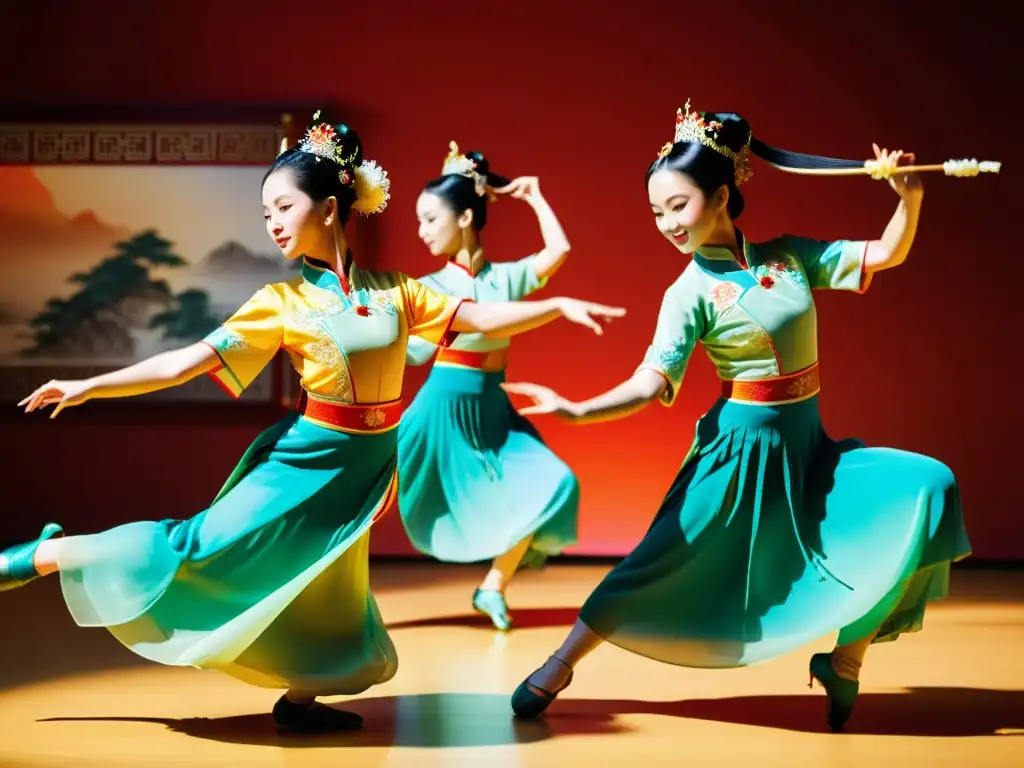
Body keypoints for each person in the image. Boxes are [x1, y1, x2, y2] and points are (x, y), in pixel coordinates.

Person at [2, 114, 625, 733]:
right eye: (265, 210)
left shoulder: (396, 292)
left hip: (367, 465)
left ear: (329, 209)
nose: (271, 221)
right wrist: (90, 385)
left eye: (283, 205)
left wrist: (557, 304)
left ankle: (300, 700)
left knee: (326, 582)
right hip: (306, 460)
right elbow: (184, 362)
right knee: (193, 546)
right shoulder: (282, 303)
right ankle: (49, 553)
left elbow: (483, 321)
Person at [503, 101, 970, 732]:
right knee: (657, 561)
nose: (667, 224)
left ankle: (847, 661)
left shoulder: (788, 257)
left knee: (929, 489)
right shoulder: (687, 291)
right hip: (739, 456)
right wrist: (579, 409)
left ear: (721, 195)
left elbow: (885, 253)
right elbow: (651, 380)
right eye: (656, 212)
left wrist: (908, 197)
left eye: (678, 206)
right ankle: (561, 662)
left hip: (808, 451)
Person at [397, 142, 579, 631]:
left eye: (430, 219)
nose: (421, 231)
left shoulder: (508, 278)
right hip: (442, 406)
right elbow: (405, 352)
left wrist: (533, 197)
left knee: (554, 484)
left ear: (463, 218)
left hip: (493, 411)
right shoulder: (429, 287)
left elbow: (559, 251)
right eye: (418, 220)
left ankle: (492, 586)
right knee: (373, 495)